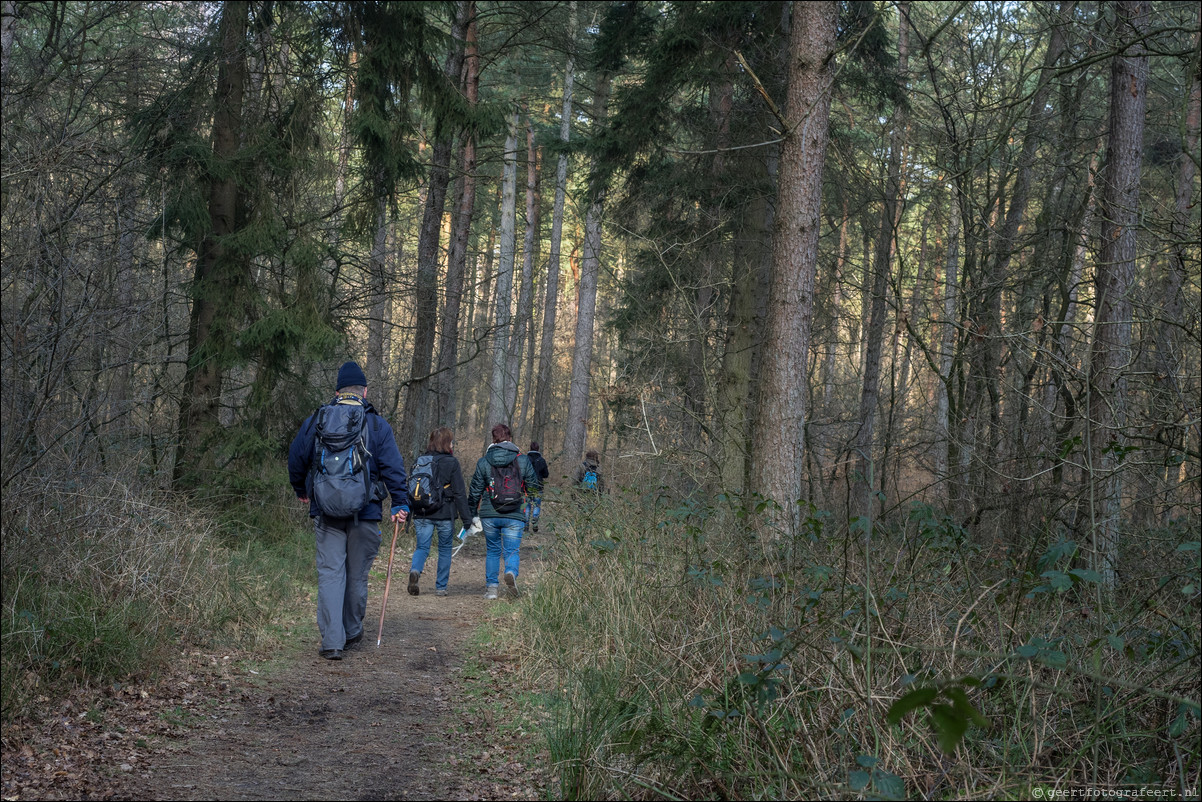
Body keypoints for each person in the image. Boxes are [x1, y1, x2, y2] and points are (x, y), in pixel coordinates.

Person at [288, 361, 409, 661]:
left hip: (326, 512)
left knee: (330, 574)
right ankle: (352, 630)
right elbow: (394, 468)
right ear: (365, 392)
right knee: (356, 575)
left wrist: (301, 490)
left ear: (337, 391)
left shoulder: (318, 419)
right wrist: (400, 502)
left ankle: (332, 641)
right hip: (365, 512)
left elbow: (296, 456)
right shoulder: (377, 425)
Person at [467, 423, 541, 599]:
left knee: (493, 550)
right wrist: (527, 502)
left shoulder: (484, 461)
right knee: (512, 551)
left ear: (493, 439)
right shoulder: (522, 460)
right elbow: (533, 488)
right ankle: (510, 573)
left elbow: (475, 491)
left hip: (489, 513)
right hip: (514, 513)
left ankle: (492, 589)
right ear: (510, 439)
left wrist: (472, 514)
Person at [407, 426, 475, 598]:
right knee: (445, 549)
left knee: (422, 547)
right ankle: (441, 587)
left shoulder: (420, 460)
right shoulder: (452, 462)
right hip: (445, 513)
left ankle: (415, 570)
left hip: (422, 511)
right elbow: (459, 492)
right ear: (447, 443)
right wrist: (467, 520)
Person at [526, 441, 550, 532]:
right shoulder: (542, 460)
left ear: (530, 448)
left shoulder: (525, 459)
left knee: (527, 505)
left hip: (527, 486)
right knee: (537, 505)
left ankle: (526, 524)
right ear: (538, 449)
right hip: (538, 486)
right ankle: (535, 521)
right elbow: (546, 474)